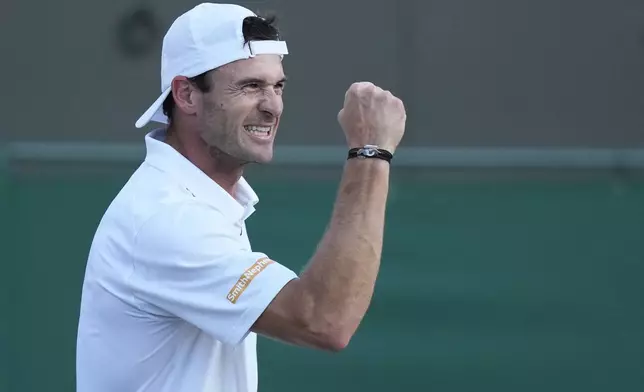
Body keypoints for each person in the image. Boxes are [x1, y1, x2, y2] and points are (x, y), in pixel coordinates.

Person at [75, 2, 406, 392]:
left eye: (277, 85)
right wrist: (370, 152)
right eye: (250, 86)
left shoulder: (192, 200)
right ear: (186, 95)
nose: (273, 106)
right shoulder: (168, 217)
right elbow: (325, 320)